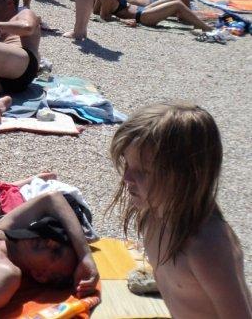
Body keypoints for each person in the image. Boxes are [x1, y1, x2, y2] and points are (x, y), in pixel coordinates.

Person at [108, 103, 252, 317]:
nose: (127, 178)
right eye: (127, 164)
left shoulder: (205, 246)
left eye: (143, 171)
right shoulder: (152, 215)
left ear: (187, 176)